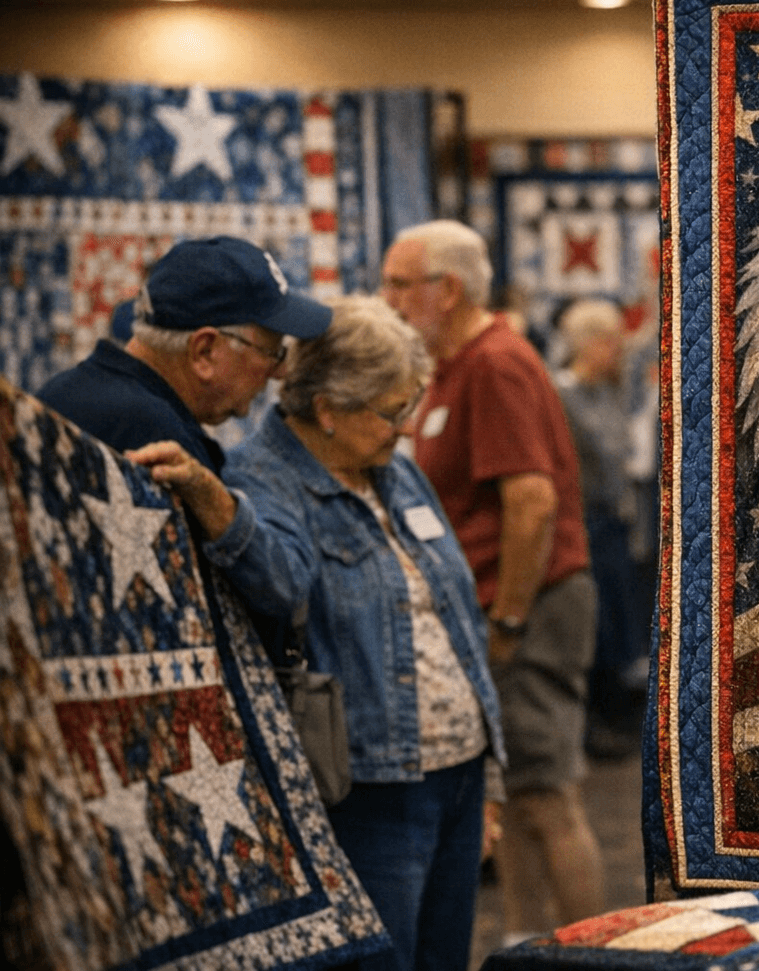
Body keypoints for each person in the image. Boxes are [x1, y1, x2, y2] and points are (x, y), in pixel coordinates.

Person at [169, 294, 506, 971]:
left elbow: (456, 617)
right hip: (374, 789)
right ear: (328, 408)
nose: (404, 430)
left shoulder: (395, 472)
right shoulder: (264, 479)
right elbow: (280, 583)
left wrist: (489, 776)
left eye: (410, 407)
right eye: (391, 411)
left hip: (459, 774)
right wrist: (217, 507)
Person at [379, 219, 605, 941]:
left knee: (546, 795)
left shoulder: (495, 364)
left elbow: (532, 502)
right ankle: (524, 943)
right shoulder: (452, 365)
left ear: (446, 290)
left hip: (528, 604)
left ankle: (596, 952)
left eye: (398, 285)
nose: (387, 300)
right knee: (504, 795)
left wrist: (506, 620)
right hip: (494, 605)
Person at [37, 235, 331, 475]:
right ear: (204, 352)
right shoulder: (166, 449)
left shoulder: (59, 391)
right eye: (273, 352)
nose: (280, 371)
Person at [553, 298, 648, 759]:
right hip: (584, 521)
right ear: (587, 343)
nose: (618, 350)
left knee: (618, 621)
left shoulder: (609, 392)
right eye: (610, 341)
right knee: (596, 624)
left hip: (613, 523)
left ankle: (614, 716)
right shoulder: (562, 395)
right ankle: (591, 724)